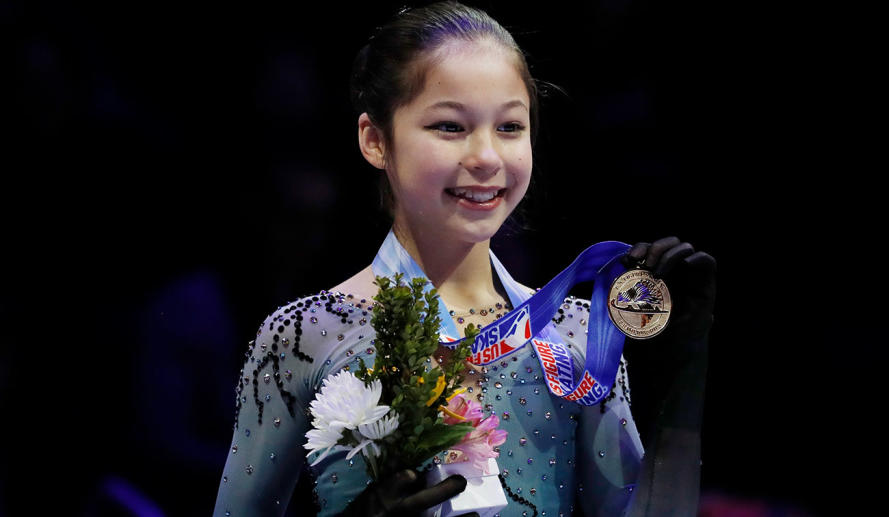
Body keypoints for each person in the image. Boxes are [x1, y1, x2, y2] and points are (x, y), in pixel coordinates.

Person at [213, 2, 716, 516]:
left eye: (509, 127)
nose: (486, 157)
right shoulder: (304, 335)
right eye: (450, 127)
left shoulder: (577, 338)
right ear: (374, 140)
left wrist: (684, 374)